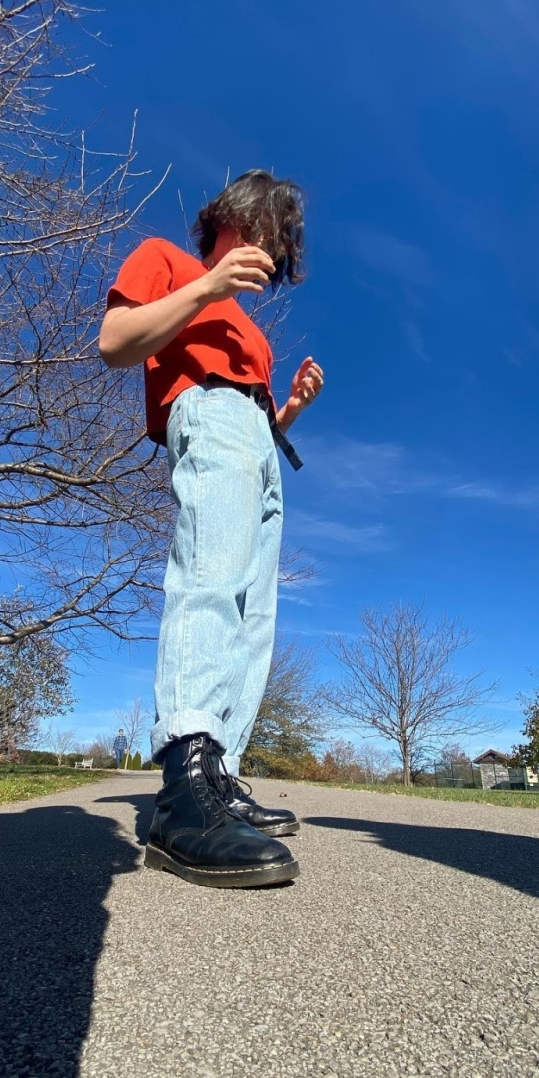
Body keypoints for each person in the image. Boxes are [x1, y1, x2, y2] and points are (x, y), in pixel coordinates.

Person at [99, 170, 324, 889]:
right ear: (238, 215)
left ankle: (218, 775)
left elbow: (253, 421)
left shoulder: (254, 334)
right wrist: (208, 286)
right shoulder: (168, 258)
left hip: (260, 444)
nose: (273, 247)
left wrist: (285, 408)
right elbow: (116, 342)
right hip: (208, 415)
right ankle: (183, 789)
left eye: (283, 242)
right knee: (210, 578)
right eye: (270, 229)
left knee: (252, 614)